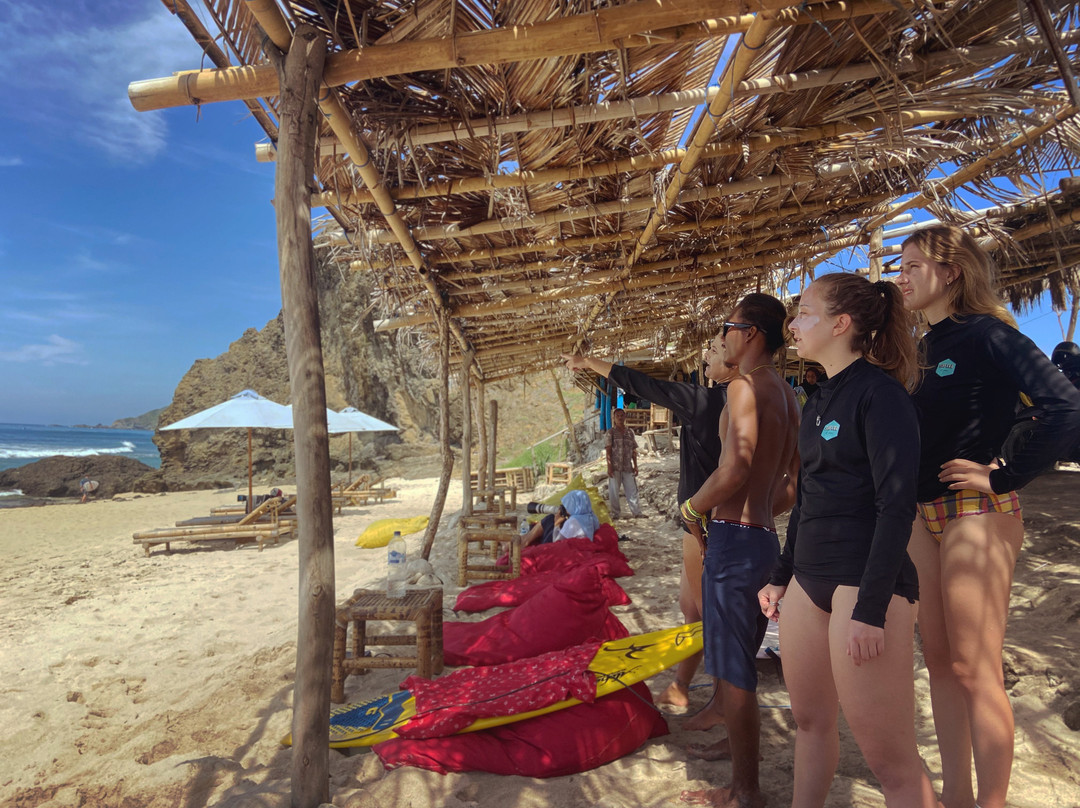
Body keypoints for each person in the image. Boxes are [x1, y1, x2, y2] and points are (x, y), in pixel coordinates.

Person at [897, 225, 1080, 808]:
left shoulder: (988, 335)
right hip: (920, 512)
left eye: (913, 266)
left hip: (977, 509)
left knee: (975, 668)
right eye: (900, 266)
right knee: (941, 664)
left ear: (951, 271)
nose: (901, 277)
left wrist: (1003, 475)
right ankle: (957, 797)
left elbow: (1065, 405)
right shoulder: (918, 348)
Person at [758, 273, 940, 808]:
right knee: (810, 724)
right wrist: (781, 576)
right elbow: (808, 498)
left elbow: (896, 506)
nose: (792, 323)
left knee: (890, 761)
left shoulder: (882, 396)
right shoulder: (817, 401)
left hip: (863, 587)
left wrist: (871, 608)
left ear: (841, 324)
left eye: (804, 312)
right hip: (808, 583)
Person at [562, 344, 737, 714]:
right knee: (691, 609)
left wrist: (588, 361)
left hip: (705, 523)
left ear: (737, 356)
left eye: (715, 350)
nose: (706, 356)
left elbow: (641, 384)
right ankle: (681, 686)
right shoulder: (740, 402)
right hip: (707, 520)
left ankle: (722, 703)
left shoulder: (707, 401)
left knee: (709, 615)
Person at [678, 292, 800, 808]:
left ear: (749, 333)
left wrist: (693, 509)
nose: (722, 336)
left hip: (731, 541)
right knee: (742, 659)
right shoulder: (788, 395)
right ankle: (736, 748)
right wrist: (759, 514)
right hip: (764, 539)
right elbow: (793, 484)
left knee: (732, 669)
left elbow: (735, 468)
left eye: (727, 327)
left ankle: (744, 791)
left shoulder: (744, 387)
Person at [521, 489, 600, 548]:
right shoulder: (592, 517)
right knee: (549, 520)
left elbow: (557, 542)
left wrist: (557, 524)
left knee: (550, 519)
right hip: (577, 546)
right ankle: (525, 540)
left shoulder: (573, 522)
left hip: (563, 549)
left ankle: (525, 541)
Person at [605, 408, 644, 519]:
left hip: (628, 466)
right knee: (614, 491)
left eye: (622, 415)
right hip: (615, 467)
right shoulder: (610, 433)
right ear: (614, 418)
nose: (620, 418)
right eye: (617, 416)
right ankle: (615, 513)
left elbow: (633, 451)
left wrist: (635, 466)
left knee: (632, 490)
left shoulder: (630, 432)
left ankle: (637, 513)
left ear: (625, 417)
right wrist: (609, 467)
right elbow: (608, 451)